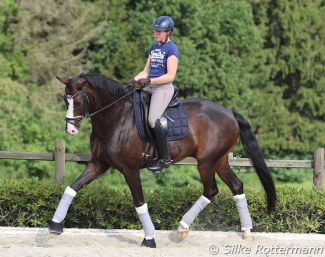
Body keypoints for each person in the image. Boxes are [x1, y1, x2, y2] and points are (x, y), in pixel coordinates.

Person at [127, 16, 180, 173]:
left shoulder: (171, 49)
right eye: (155, 31)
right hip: (150, 86)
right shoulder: (154, 47)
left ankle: (164, 158)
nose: (156, 33)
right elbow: (145, 71)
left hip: (163, 89)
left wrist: (149, 81)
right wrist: (133, 80)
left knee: (152, 119)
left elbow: (171, 76)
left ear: (168, 33)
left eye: (159, 31)